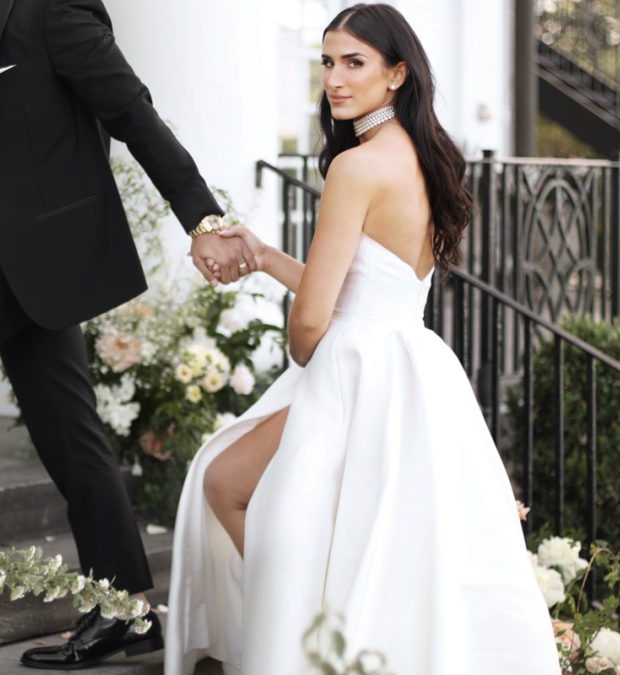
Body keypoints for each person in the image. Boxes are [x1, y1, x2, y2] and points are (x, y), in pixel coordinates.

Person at [0, 0, 255, 669]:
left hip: (38, 244)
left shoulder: (52, 10)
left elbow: (132, 112)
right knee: (69, 431)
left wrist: (203, 220)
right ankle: (126, 608)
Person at [165, 4, 562, 674]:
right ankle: (317, 640)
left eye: (355, 62)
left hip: (350, 371)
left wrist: (307, 358)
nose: (335, 79)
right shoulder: (426, 159)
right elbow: (366, 289)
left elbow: (312, 322)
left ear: (396, 73)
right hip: (410, 366)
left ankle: (298, 642)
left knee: (237, 486)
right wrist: (264, 256)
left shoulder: (355, 167)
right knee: (342, 530)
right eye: (327, 62)